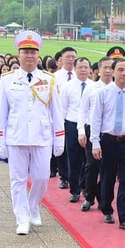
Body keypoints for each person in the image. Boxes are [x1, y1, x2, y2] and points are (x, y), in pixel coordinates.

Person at [0, 31, 65, 235]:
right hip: (16, 137)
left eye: (33, 52)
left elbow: (57, 112)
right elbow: (1, 114)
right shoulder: (7, 80)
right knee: (18, 180)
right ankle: (22, 218)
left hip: (42, 138)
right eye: (25, 52)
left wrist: (59, 140)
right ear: (19, 54)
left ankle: (33, 206)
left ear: (38, 55)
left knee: (41, 178)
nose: (29, 56)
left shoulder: (48, 80)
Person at [90, 58, 125, 232]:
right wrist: (95, 143)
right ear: (113, 72)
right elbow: (96, 119)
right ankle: (106, 208)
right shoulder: (103, 93)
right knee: (108, 177)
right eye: (120, 70)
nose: (124, 73)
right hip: (109, 141)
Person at [79, 57, 113, 211]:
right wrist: (81, 131)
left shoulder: (117, 89)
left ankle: (103, 197)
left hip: (109, 133)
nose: (107, 70)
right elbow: (83, 110)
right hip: (92, 130)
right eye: (104, 67)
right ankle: (89, 196)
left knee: (108, 167)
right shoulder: (91, 88)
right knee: (92, 165)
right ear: (98, 70)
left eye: (110, 68)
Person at [60, 57, 92, 203]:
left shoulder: (94, 86)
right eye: (80, 67)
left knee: (88, 160)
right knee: (73, 159)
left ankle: (85, 186)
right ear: (75, 69)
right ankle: (74, 190)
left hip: (89, 126)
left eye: (86, 67)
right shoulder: (68, 86)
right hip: (72, 124)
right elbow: (63, 108)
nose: (83, 70)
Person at [51, 47, 77, 189]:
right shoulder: (55, 77)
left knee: (75, 150)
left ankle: (76, 177)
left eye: (73, 57)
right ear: (61, 58)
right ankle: (64, 176)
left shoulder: (80, 75)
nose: (71, 59)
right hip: (60, 117)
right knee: (62, 148)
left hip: (75, 118)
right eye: (68, 57)